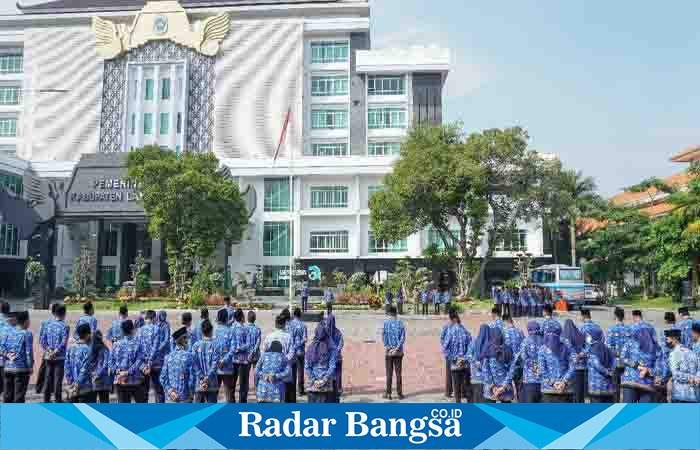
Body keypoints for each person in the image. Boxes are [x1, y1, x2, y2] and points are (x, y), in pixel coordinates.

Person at [538, 321, 576, 403]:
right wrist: (564, 381)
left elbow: (542, 369)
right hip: (565, 389)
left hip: (548, 389)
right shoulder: (567, 345)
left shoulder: (543, 348)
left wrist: (553, 383)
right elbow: (573, 365)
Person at [110, 320, 146, 403]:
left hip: (120, 381)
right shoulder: (138, 344)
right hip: (135, 381)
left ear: (122, 331)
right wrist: (128, 372)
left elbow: (110, 362)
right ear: (132, 330)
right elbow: (139, 361)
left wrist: (118, 371)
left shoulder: (116, 344)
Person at [621, 325, 658, 403]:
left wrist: (648, 370)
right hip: (631, 381)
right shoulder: (630, 343)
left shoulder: (656, 348)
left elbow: (660, 367)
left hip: (646, 384)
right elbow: (623, 358)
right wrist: (637, 366)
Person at [441, 308, 471, 403]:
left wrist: (453, 357)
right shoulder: (463, 330)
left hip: (453, 359)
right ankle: (454, 392)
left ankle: (456, 396)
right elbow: (471, 344)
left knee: (454, 378)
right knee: (462, 379)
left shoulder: (451, 329)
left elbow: (443, 343)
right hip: (463, 361)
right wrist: (464, 358)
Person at [41, 304, 69, 403]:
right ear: (64, 313)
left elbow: (42, 340)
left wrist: (49, 351)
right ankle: (58, 399)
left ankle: (46, 399)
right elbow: (64, 342)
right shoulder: (65, 326)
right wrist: (56, 352)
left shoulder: (48, 324)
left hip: (48, 356)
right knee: (58, 379)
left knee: (48, 378)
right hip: (59, 357)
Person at [305, 320, 338, 403]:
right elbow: (332, 366)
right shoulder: (331, 348)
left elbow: (307, 367)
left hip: (312, 386)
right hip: (326, 387)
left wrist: (314, 380)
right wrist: (323, 380)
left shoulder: (310, 348)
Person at [3, 311, 33, 403]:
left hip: (8, 368)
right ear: (26, 321)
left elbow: (2, 347)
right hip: (21, 369)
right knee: (19, 397)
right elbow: (28, 352)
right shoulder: (27, 334)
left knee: (8, 396)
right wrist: (30, 367)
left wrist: (7, 355)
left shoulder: (9, 332)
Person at [264, 315, 295, 403]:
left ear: (275, 324)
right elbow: (292, 353)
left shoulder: (269, 337)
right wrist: (283, 361)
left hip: (271, 372)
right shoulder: (288, 337)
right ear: (285, 324)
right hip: (284, 373)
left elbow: (264, 353)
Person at [511, 321, 543, 403]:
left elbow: (522, 357)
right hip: (544, 380)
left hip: (529, 379)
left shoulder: (526, 341)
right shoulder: (544, 340)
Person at [664, 329, 699, 403]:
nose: (666, 342)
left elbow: (675, 374)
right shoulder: (690, 352)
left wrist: (692, 378)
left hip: (680, 395)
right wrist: (696, 378)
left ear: (674, 339)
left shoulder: (675, 353)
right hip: (694, 395)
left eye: (667, 339)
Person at [160, 327, 195, 403]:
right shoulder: (189, 356)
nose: (188, 341)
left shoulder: (168, 357)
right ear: (183, 339)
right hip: (185, 398)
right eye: (186, 338)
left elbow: (162, 378)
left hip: (171, 399)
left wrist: (170, 392)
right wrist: (192, 393)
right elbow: (192, 379)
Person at [481, 327, 514, 403]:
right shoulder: (508, 349)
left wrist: (493, 386)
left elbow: (485, 370)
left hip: (491, 390)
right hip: (506, 389)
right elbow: (511, 370)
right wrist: (503, 387)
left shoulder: (487, 350)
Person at [138, 310, 165, 403]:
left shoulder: (140, 330)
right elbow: (155, 346)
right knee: (158, 390)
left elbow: (139, 348)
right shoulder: (157, 329)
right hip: (155, 363)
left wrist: (146, 363)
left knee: (144, 390)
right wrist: (150, 361)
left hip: (144, 365)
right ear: (154, 318)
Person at [64, 323, 95, 403]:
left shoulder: (70, 348)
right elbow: (84, 369)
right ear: (88, 335)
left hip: (71, 388)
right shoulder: (87, 350)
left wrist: (70, 383)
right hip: (85, 388)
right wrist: (77, 384)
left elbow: (66, 367)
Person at [192, 319, 220, 403]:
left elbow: (194, 364)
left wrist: (201, 377)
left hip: (199, 383)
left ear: (202, 331)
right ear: (211, 330)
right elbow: (215, 364)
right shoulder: (215, 345)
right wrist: (207, 378)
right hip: (212, 383)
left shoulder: (195, 345)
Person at [585, 327, 615, 403]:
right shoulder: (607, 348)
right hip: (608, 386)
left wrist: (606, 372)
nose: (587, 338)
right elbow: (614, 362)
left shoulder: (592, 349)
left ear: (593, 336)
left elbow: (597, 365)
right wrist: (610, 372)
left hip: (596, 387)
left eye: (588, 336)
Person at [382, 305, 405, 400]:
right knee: (398, 373)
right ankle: (399, 394)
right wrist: (396, 348)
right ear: (396, 313)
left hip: (388, 352)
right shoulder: (400, 323)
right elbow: (403, 337)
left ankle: (388, 393)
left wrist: (388, 347)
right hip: (398, 352)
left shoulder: (386, 323)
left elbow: (383, 337)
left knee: (389, 373)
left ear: (389, 313)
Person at [562, 319, 587, 403]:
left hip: (569, 370)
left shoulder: (564, 338)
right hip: (581, 368)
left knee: (569, 394)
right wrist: (580, 355)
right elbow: (588, 348)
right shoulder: (580, 335)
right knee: (580, 394)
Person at [229, 308, 252, 403]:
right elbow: (249, 344)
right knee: (243, 385)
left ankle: (231, 402)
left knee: (232, 384)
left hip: (233, 359)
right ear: (242, 317)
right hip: (243, 361)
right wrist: (241, 348)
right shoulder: (246, 329)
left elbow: (228, 343)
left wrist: (235, 349)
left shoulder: (231, 329)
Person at [214, 308, 234, 403]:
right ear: (227, 318)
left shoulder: (213, 331)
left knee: (213, 395)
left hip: (215, 367)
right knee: (228, 395)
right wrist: (224, 360)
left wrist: (218, 361)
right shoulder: (230, 331)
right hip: (227, 368)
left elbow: (211, 349)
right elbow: (233, 349)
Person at [607, 307, 628, 402]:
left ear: (615, 316)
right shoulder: (629, 329)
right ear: (623, 317)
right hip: (628, 363)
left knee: (615, 387)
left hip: (615, 362)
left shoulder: (612, 329)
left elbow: (608, 348)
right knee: (627, 387)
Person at [502, 315, 524, 398]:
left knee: (507, 386)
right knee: (519, 386)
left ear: (505, 321)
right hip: (519, 363)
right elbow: (523, 346)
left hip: (508, 364)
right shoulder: (520, 331)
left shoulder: (503, 332)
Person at [288, 308, 308, 396]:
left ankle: (292, 389)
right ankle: (300, 389)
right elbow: (305, 339)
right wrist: (299, 344)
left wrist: (293, 347)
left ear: (293, 315)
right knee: (301, 371)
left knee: (292, 371)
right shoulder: (303, 325)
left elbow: (289, 339)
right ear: (300, 315)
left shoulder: (290, 325)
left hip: (292, 352)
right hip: (301, 351)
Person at [468, 324, 489, 403]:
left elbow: (468, 355)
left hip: (475, 377)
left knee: (476, 399)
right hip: (487, 378)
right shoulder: (490, 344)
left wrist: (475, 361)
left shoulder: (474, 342)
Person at [327, 313, 344, 402]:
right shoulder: (338, 332)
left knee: (330, 374)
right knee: (338, 374)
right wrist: (336, 351)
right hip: (337, 357)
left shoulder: (325, 332)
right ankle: (338, 389)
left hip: (328, 358)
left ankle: (331, 389)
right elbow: (341, 343)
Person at [91, 331, 111, 403]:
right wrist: (98, 374)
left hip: (92, 381)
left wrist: (93, 374)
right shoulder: (105, 349)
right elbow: (106, 364)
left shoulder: (89, 350)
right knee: (104, 401)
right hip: (103, 381)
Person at [246, 310, 262, 388]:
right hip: (256, 354)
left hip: (247, 355)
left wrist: (250, 352)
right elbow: (258, 342)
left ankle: (245, 387)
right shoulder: (257, 329)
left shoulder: (244, 329)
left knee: (246, 373)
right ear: (255, 319)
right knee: (256, 372)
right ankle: (257, 387)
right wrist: (254, 351)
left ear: (247, 318)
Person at [440, 315, 453, 398]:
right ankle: (448, 391)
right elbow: (442, 338)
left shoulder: (458, 326)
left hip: (455, 354)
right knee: (450, 373)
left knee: (455, 373)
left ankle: (457, 391)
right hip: (450, 354)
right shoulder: (447, 326)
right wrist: (446, 349)